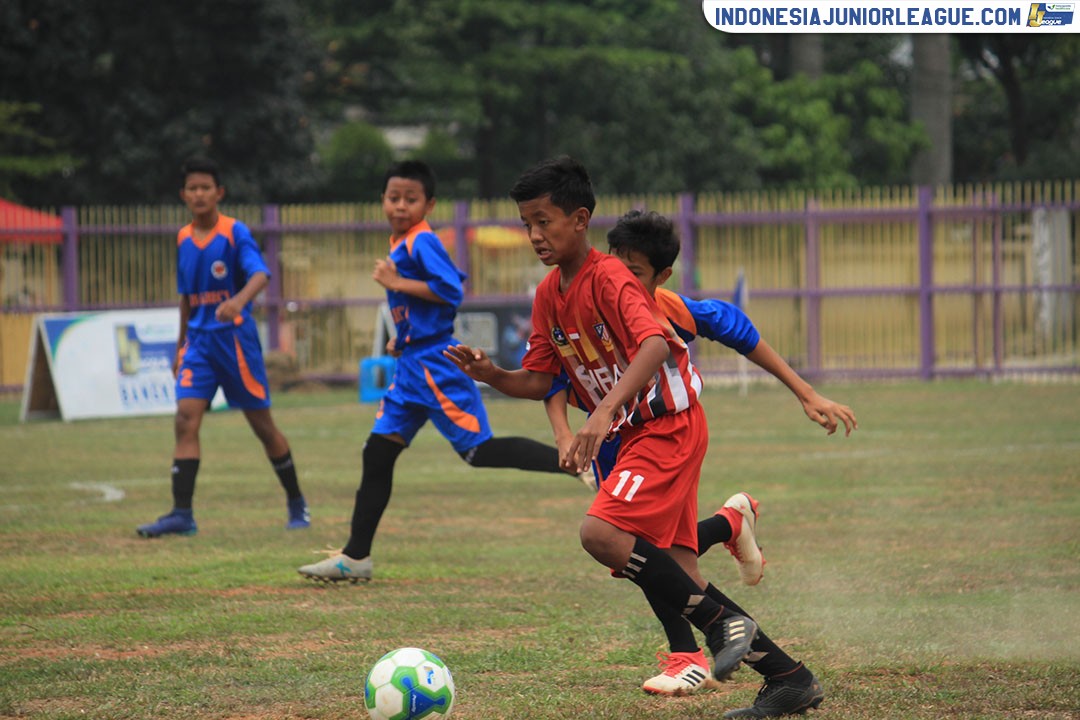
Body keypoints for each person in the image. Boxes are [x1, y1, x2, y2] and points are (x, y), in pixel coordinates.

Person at [445, 156, 828, 718]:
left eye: (543, 221)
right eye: (527, 224)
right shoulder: (549, 293)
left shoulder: (611, 278)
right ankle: (789, 677)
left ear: (580, 219)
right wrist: (494, 376)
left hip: (666, 427)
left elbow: (654, 345)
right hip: (638, 432)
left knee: (601, 533)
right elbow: (542, 378)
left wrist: (601, 413)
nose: (534, 235)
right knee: (680, 575)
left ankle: (721, 628)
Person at [543, 209, 857, 700]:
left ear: (661, 275)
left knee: (623, 544)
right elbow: (552, 372)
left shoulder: (663, 308)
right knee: (669, 568)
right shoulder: (582, 298)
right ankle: (788, 677)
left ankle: (688, 655)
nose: (622, 281)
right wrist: (563, 431)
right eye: (616, 268)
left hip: (658, 432)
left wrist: (805, 392)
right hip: (614, 438)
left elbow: (733, 325)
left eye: (635, 273)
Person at [297, 160, 586, 583]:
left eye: (410, 199)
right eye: (393, 198)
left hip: (435, 365)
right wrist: (403, 337)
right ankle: (355, 557)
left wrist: (396, 283)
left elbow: (450, 290)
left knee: (477, 452)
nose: (400, 206)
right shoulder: (402, 242)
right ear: (382, 200)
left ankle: (576, 463)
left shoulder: (420, 241)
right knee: (377, 453)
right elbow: (421, 305)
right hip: (412, 364)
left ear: (428, 205)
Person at [137, 156, 309, 538]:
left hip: (235, 343)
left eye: (206, 188)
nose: (199, 194)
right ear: (183, 195)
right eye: (192, 188)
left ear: (219, 193)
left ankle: (297, 503)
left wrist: (238, 301)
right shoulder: (183, 238)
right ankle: (182, 514)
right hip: (198, 345)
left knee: (262, 426)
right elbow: (186, 298)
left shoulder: (234, 232)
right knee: (185, 419)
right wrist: (179, 347)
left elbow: (260, 274)